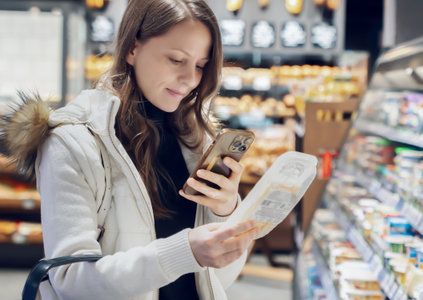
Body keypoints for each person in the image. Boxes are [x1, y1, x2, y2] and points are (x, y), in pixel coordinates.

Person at [2, 0, 257, 299]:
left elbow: (218, 281)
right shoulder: (72, 142)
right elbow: (69, 280)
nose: (190, 79)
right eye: (176, 59)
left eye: (200, 66)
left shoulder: (196, 141)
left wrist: (224, 213)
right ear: (132, 49)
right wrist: (185, 252)